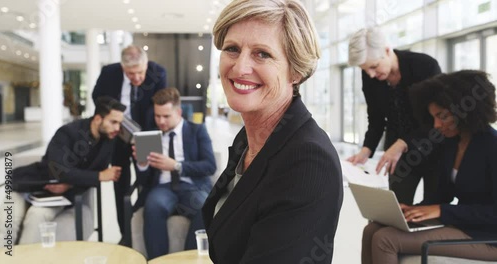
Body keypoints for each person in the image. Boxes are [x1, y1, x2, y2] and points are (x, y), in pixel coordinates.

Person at [201, 0, 343, 263]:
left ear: (296, 71)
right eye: (232, 49)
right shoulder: (248, 139)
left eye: (262, 54)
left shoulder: (308, 161)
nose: (240, 67)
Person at [362, 70, 497, 263]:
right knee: (373, 229)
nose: (436, 124)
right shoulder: (452, 143)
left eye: (442, 116)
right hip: (464, 224)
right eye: (433, 117)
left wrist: (442, 210)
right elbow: (442, 197)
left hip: (489, 236)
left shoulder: (492, 146)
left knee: (386, 240)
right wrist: (410, 210)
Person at [0, 96, 125, 245]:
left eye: (120, 123)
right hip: (28, 185)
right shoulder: (67, 133)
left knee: (36, 216)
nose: (117, 128)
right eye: (113, 122)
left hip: (56, 196)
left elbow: (84, 177)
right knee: (8, 218)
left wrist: (71, 184)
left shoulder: (108, 142)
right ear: (98, 119)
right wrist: (99, 176)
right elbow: (58, 171)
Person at [346, 27, 442, 205]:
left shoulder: (425, 66)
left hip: (433, 147)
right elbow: (375, 118)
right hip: (398, 156)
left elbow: (438, 119)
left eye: (374, 67)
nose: (371, 74)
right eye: (365, 70)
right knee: (395, 209)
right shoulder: (370, 77)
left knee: (431, 210)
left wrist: (403, 142)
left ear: (387, 50)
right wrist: (366, 150)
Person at [92, 45, 167, 237]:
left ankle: (143, 230)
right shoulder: (109, 73)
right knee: (120, 185)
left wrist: (141, 135)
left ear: (146, 63)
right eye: (130, 73)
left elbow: (158, 105)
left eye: (140, 72)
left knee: (149, 181)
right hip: (117, 136)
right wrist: (117, 119)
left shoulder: (157, 73)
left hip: (146, 134)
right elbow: (97, 98)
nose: (136, 78)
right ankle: (125, 234)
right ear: (123, 67)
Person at [133, 87, 216, 259]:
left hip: (192, 186)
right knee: (153, 206)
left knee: (204, 207)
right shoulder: (150, 136)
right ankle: (157, 261)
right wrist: (142, 164)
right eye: (157, 116)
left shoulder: (197, 130)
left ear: (178, 112)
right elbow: (143, 180)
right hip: (162, 187)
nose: (161, 121)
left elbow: (210, 166)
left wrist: (176, 165)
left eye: (166, 116)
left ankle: (188, 260)